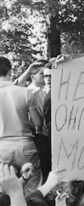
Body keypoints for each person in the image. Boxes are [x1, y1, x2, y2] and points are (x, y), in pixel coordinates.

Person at [0, 57, 42, 194]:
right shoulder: (26, 93)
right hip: (25, 146)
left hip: (2, 148)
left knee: (5, 191)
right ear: (10, 71)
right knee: (32, 190)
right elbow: (38, 123)